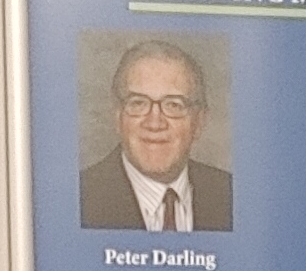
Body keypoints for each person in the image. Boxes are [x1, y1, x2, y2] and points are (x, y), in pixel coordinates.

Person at [78, 38, 233, 232]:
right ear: (118, 116)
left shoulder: (231, 195)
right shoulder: (80, 197)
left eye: (174, 105)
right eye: (138, 103)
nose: (155, 122)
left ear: (199, 121)